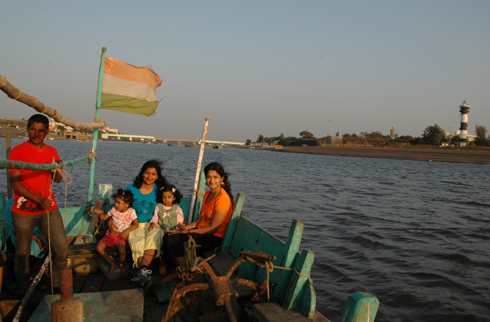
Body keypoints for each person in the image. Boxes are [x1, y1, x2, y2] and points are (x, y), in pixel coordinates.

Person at [8, 114, 68, 294]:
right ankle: (23, 291)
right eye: (33, 129)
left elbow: (57, 179)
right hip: (24, 211)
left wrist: (57, 169)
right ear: (27, 129)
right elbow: (15, 183)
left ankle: (56, 288)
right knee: (22, 254)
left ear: (47, 132)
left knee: (61, 249)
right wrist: (38, 199)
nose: (36, 134)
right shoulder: (17, 151)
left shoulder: (51, 151)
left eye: (41, 131)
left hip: (49, 208)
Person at [164, 162, 233, 277]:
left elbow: (212, 228)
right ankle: (179, 269)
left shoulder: (222, 199)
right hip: (202, 232)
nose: (212, 180)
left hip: (213, 237)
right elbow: (201, 220)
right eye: (209, 177)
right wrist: (186, 227)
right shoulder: (207, 195)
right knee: (167, 235)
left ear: (222, 178)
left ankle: (187, 274)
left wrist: (187, 232)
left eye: (215, 177)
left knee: (174, 239)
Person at [125, 160, 170, 283]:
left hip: (153, 223)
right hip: (135, 224)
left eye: (153, 174)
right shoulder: (131, 189)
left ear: (157, 176)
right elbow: (121, 207)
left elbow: (170, 204)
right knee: (137, 241)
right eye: (147, 173)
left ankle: (142, 271)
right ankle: (144, 271)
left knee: (154, 238)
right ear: (142, 173)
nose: (149, 177)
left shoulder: (160, 190)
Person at [93, 189, 139, 276]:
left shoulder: (131, 212)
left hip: (121, 236)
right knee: (99, 248)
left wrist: (127, 231)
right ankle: (112, 263)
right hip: (110, 235)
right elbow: (103, 218)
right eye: (116, 202)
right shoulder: (114, 210)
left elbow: (136, 224)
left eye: (118, 202)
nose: (116, 204)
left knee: (122, 251)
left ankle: (121, 264)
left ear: (127, 204)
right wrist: (101, 213)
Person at [149, 184, 185, 275]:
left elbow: (180, 221)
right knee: (162, 240)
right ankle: (162, 262)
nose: (166, 199)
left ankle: (165, 263)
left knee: (169, 241)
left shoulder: (177, 209)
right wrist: (153, 222)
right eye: (164, 197)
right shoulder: (159, 207)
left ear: (174, 198)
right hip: (163, 230)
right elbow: (155, 217)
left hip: (174, 231)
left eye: (169, 197)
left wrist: (179, 227)